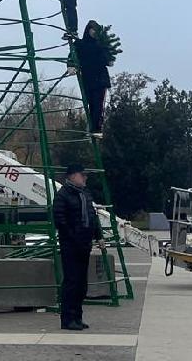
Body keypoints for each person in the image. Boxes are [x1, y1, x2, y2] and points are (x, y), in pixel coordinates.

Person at [53, 163, 104, 331]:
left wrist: (99, 236)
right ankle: (67, 319)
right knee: (72, 282)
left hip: (84, 244)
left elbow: (92, 216)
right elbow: (60, 220)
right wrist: (73, 237)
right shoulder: (63, 195)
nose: (85, 178)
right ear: (72, 176)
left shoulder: (85, 195)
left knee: (82, 283)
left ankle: (77, 316)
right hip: (71, 245)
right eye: (82, 175)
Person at [73, 21, 112, 137]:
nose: (94, 32)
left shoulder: (100, 46)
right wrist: (71, 64)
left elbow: (106, 60)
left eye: (96, 30)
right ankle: (91, 126)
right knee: (90, 103)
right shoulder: (80, 44)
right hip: (87, 79)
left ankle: (96, 128)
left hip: (100, 80)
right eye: (93, 29)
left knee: (98, 104)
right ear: (88, 30)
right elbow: (73, 54)